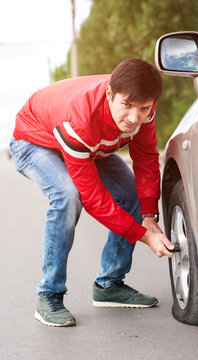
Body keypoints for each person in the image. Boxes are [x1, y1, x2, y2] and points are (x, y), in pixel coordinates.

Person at [10, 58, 174, 327]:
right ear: (110, 95)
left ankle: (110, 285)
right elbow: (95, 199)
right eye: (127, 106)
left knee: (131, 192)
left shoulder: (145, 109)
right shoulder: (80, 119)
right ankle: (49, 294)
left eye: (143, 108)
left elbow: (145, 158)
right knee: (67, 195)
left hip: (89, 147)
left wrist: (149, 215)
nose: (135, 118)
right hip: (35, 140)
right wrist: (143, 236)